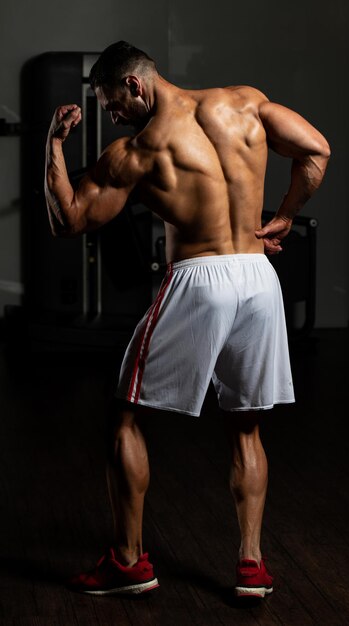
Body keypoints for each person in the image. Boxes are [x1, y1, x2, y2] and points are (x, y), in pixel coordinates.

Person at [44, 40, 330, 598]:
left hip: (200, 279)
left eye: (110, 104)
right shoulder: (245, 103)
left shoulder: (141, 150)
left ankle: (128, 560)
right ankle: (251, 564)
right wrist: (286, 214)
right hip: (257, 278)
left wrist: (52, 146)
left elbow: (70, 219)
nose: (112, 116)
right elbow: (316, 148)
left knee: (123, 417)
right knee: (245, 426)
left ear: (135, 86)